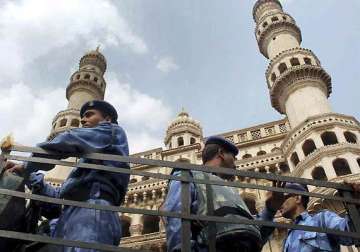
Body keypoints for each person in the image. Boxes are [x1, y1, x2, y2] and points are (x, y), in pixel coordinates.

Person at [3, 100, 130, 251]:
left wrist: (26, 166)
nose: (83, 120)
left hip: (92, 212)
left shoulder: (112, 131)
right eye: (82, 116)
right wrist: (28, 175)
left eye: (89, 115)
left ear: (107, 119)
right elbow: (59, 196)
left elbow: (68, 140)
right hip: (69, 216)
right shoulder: (85, 166)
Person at [162, 136, 284, 252]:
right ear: (221, 153)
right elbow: (176, 217)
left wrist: (270, 209)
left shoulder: (230, 192)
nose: (235, 164)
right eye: (233, 157)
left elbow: (252, 234)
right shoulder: (188, 175)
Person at [279, 182, 360, 252]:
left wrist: (356, 206)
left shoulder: (321, 219)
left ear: (297, 198)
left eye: (282, 198)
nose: (278, 204)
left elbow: (350, 231)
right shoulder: (287, 239)